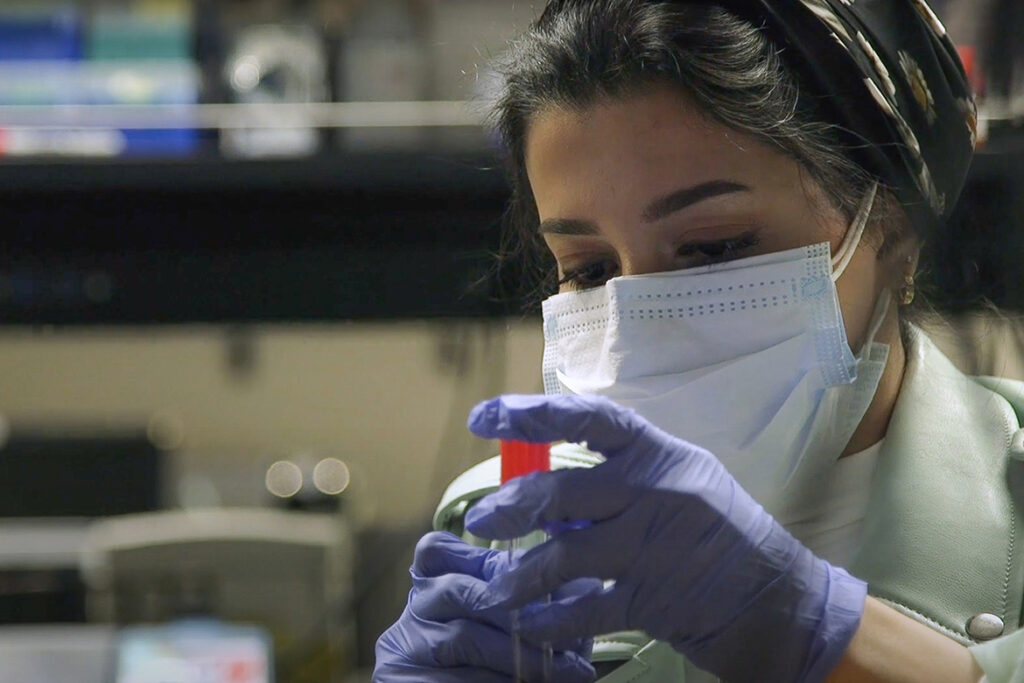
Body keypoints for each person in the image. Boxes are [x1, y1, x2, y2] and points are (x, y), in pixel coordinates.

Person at [375, 1, 1024, 681]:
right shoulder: (510, 526)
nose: (634, 330)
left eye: (713, 249)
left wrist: (808, 627)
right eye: (588, 269)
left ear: (891, 232)